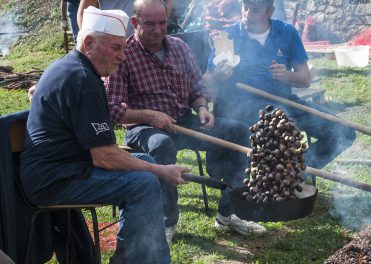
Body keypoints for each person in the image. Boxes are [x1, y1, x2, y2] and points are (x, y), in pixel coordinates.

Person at [20, 7, 189, 263]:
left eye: (123, 48)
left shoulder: (78, 69)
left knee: (148, 165)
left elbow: (102, 152)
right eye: (116, 48)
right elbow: (105, 157)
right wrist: (161, 172)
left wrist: (154, 168)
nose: (123, 56)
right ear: (89, 43)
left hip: (68, 168)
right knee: (143, 183)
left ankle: (135, 258)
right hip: (53, 181)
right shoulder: (81, 80)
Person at [105, 0, 267, 243]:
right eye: (150, 24)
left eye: (162, 23)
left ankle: (229, 212)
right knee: (161, 145)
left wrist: (202, 108)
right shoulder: (124, 56)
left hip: (185, 121)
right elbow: (113, 109)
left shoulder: (179, 47)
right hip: (144, 129)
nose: (159, 30)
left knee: (239, 131)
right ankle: (167, 222)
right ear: (135, 22)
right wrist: (149, 115)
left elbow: (197, 88)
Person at [204, 0, 356, 170]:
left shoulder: (286, 32)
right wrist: (217, 76)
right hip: (242, 107)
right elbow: (206, 82)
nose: (247, 15)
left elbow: (305, 78)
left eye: (254, 10)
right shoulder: (229, 37)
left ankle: (294, 172)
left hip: (285, 101)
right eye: (245, 8)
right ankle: (275, 178)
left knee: (343, 131)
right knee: (282, 125)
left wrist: (287, 76)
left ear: (270, 11)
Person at [77, 0, 174, 37]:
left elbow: (168, 2)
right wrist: (88, 39)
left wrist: (160, 25)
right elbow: (84, 13)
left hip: (147, 41)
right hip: (112, 42)